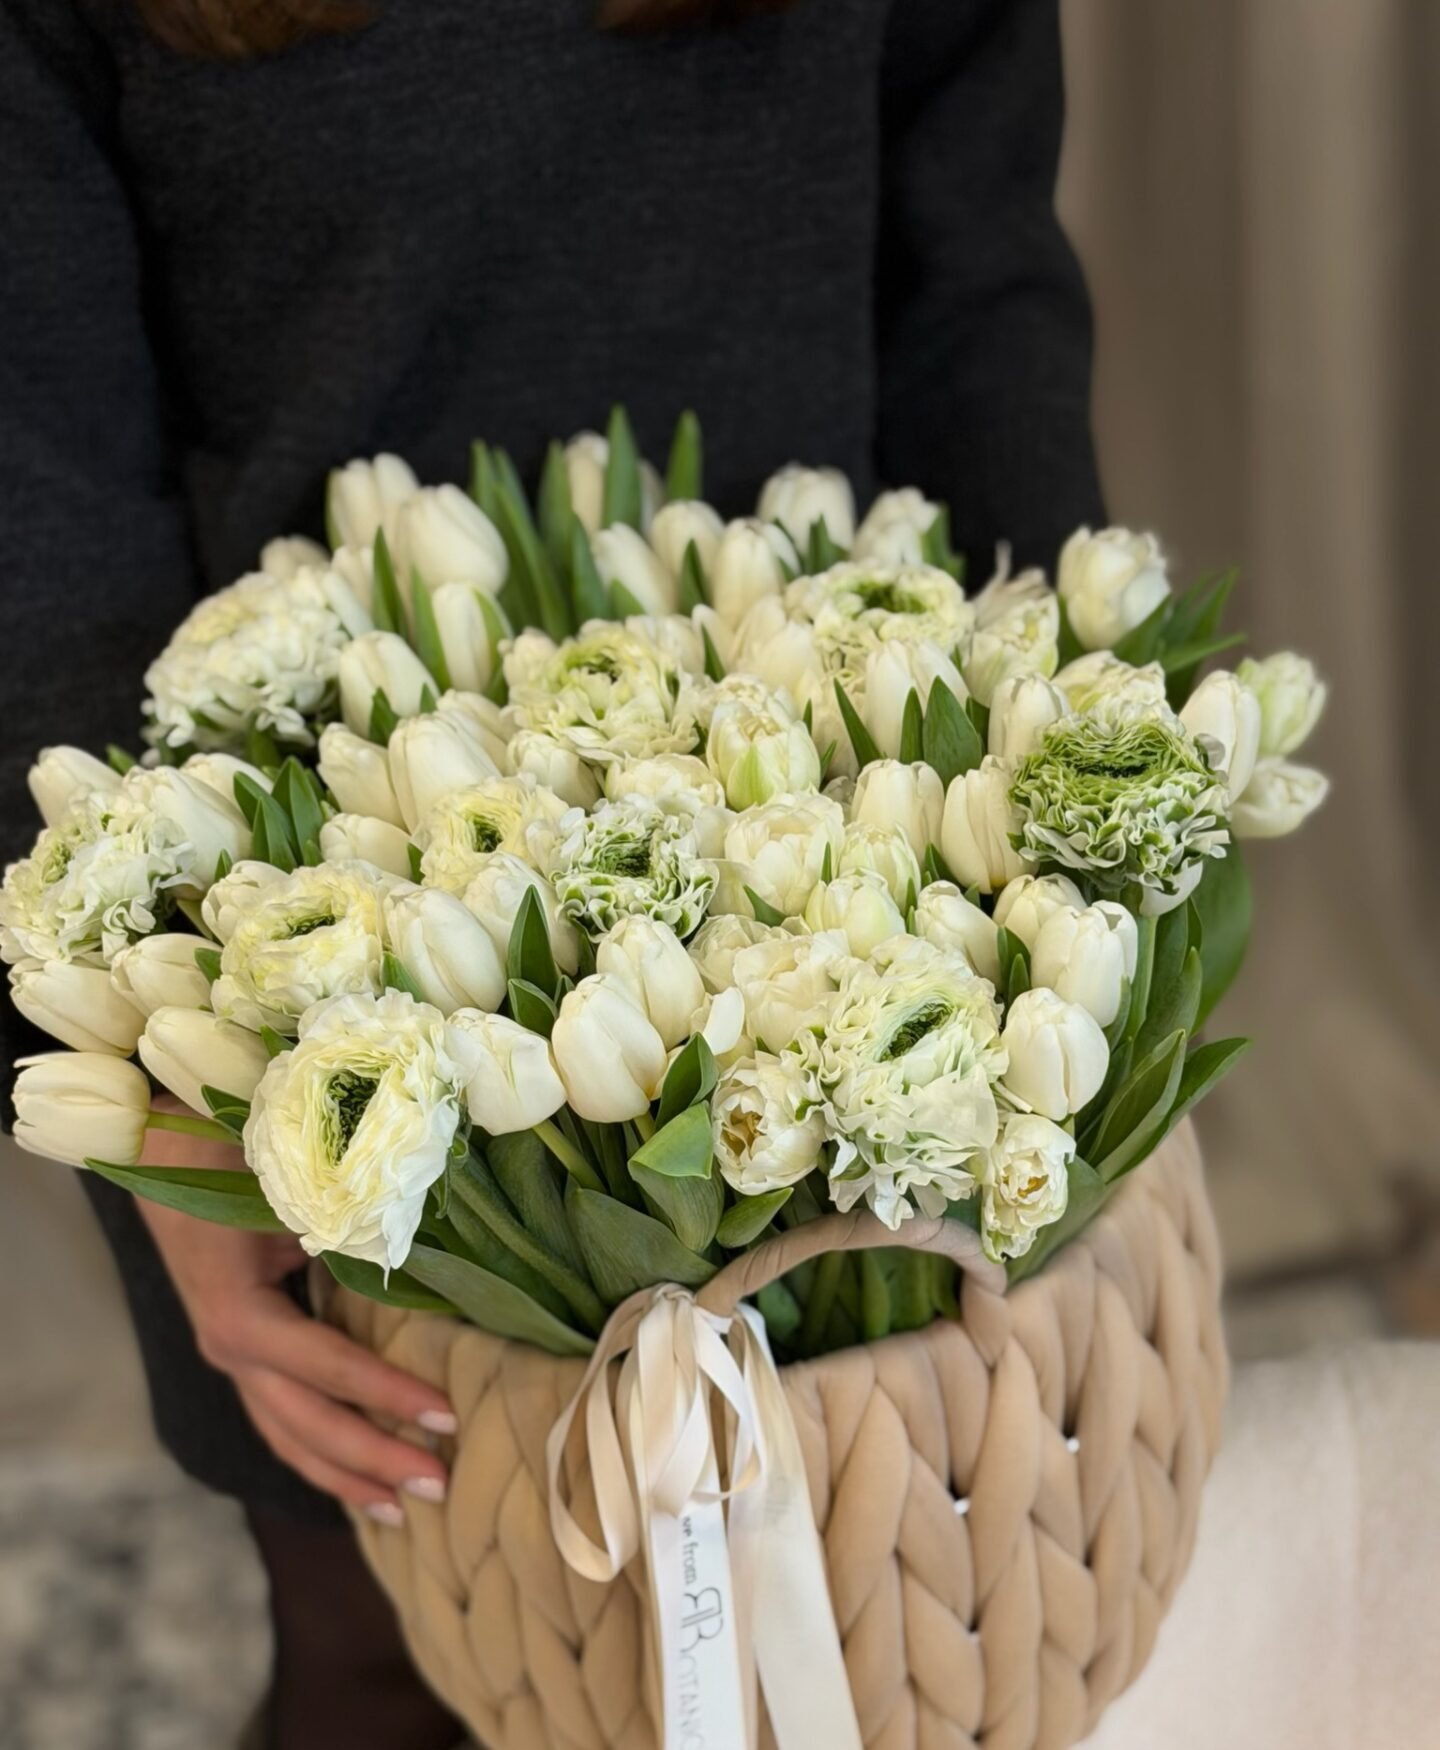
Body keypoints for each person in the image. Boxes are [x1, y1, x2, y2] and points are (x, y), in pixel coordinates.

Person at [0, 0, 1103, 1744]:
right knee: (391, 1635)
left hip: (849, 883)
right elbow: (38, 496)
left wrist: (1064, 861)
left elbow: (981, 310)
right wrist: (168, 1104)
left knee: (848, 1641)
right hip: (282, 955)